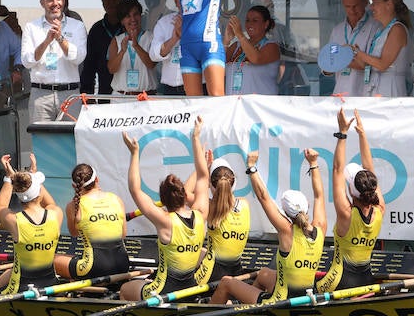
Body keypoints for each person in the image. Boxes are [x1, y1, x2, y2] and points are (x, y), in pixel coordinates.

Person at [210, 149, 326, 305]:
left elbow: (263, 197)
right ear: (307, 207)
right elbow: (319, 195)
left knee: (225, 282)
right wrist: (314, 163)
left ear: (285, 212)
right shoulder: (320, 227)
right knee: (264, 273)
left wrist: (252, 167)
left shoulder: (286, 231)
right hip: (305, 296)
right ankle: (248, 308)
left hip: (280, 301)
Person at [119, 129, 210, 300]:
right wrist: (196, 139)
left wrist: (135, 153)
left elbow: (135, 190)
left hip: (163, 291)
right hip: (191, 289)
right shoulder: (201, 214)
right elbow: (203, 178)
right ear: (185, 195)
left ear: (163, 200)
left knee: (125, 289)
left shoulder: (164, 220)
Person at [0, 154, 63, 296]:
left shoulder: (15, 221)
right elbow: (49, 202)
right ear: (39, 192)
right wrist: (33, 176)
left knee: (17, 268)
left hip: (20, 289)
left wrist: (9, 178)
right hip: (51, 286)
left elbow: (0, 206)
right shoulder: (56, 214)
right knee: (16, 268)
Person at [318, 108, 384, 291]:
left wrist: (343, 134)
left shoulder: (346, 213)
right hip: (366, 282)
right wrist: (362, 135)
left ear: (351, 191)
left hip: (338, 283)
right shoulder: (380, 210)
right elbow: (370, 170)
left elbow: (337, 170)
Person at [192, 119, 251, 286]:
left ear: (211, 184)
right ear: (234, 182)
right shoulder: (245, 204)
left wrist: (203, 165)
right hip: (236, 271)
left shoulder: (208, 207)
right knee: (200, 252)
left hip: (211, 273)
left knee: (190, 252)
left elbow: (188, 192)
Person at [21, 0, 87, 122]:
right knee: (41, 140)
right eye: (50, 0)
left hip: (70, 94)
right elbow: (27, 61)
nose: (55, 4)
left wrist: (60, 38)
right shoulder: (31, 27)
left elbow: (79, 58)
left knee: (69, 141)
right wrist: (46, 41)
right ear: (42, 3)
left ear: (64, 1)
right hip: (41, 95)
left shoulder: (77, 26)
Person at [57, 161, 130, 282]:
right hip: (122, 265)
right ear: (97, 179)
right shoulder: (116, 199)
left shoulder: (73, 205)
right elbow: (123, 235)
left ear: (74, 186)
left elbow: (74, 234)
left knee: (52, 259)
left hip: (93, 267)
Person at [353, 0, 412, 98]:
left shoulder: (397, 29)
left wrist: (359, 53)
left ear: (389, 4)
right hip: (375, 88)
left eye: (375, 3)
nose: (371, 7)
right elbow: (369, 65)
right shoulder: (381, 30)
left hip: (390, 90)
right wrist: (355, 55)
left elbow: (383, 64)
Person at [322, 0, 380, 97]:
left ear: (365, 3)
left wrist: (342, 60)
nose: (352, 10)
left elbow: (373, 65)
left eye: (355, 6)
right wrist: (328, 67)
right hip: (340, 94)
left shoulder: (375, 27)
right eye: (348, 7)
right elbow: (329, 62)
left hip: (364, 94)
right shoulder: (337, 30)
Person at [225, 4, 282, 96]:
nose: (249, 24)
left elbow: (256, 59)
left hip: (260, 106)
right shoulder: (236, 46)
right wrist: (226, 41)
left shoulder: (271, 46)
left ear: (266, 24)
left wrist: (240, 34)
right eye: (247, 20)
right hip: (235, 105)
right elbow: (218, 66)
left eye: (255, 20)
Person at [106, 0, 158, 96]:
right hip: (121, 97)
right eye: (128, 16)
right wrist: (122, 52)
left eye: (136, 14)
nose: (133, 19)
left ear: (141, 16)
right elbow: (111, 69)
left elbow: (151, 64)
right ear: (122, 21)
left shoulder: (151, 37)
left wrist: (136, 46)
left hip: (146, 97)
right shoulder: (116, 40)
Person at [82, 0, 126, 97]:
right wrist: (88, 95)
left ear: (123, 0)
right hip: (104, 92)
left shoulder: (130, 27)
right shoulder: (96, 30)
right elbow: (89, 66)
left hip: (128, 91)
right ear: (102, 2)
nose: (112, 2)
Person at [149, 10, 187, 96]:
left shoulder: (202, 19)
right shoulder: (164, 22)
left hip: (197, 85)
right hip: (171, 89)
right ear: (176, 0)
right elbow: (153, 55)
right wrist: (174, 39)